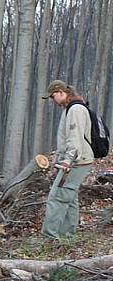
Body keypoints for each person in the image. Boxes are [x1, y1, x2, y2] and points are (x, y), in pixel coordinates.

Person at [40, 80, 94, 238]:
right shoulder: (71, 108)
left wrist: (67, 161)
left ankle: (50, 236)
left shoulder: (75, 109)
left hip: (76, 161)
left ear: (60, 92)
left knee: (57, 196)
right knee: (70, 197)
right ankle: (68, 235)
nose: (52, 100)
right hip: (78, 159)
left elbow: (74, 138)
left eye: (52, 96)